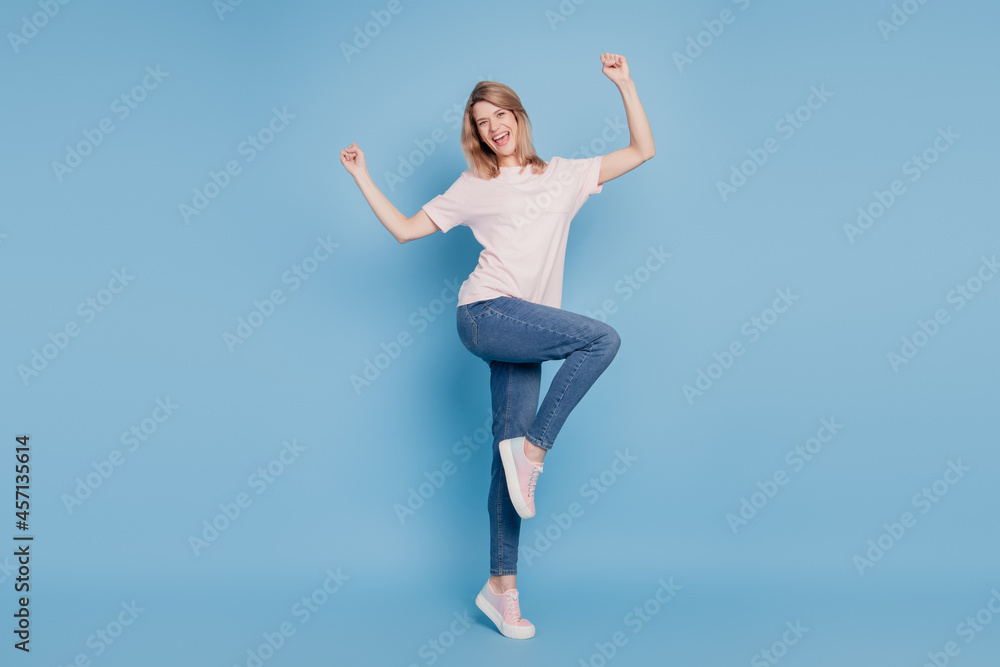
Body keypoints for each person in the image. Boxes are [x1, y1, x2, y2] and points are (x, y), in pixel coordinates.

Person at [341, 52, 654, 639]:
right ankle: (534, 452)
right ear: (478, 135)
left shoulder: (562, 175)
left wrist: (625, 85)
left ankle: (500, 589)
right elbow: (407, 228)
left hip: (525, 334)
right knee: (600, 341)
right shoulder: (474, 186)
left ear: (518, 117)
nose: (494, 127)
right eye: (482, 122)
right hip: (484, 314)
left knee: (504, 469)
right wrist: (362, 175)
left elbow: (642, 151)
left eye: (500, 114)